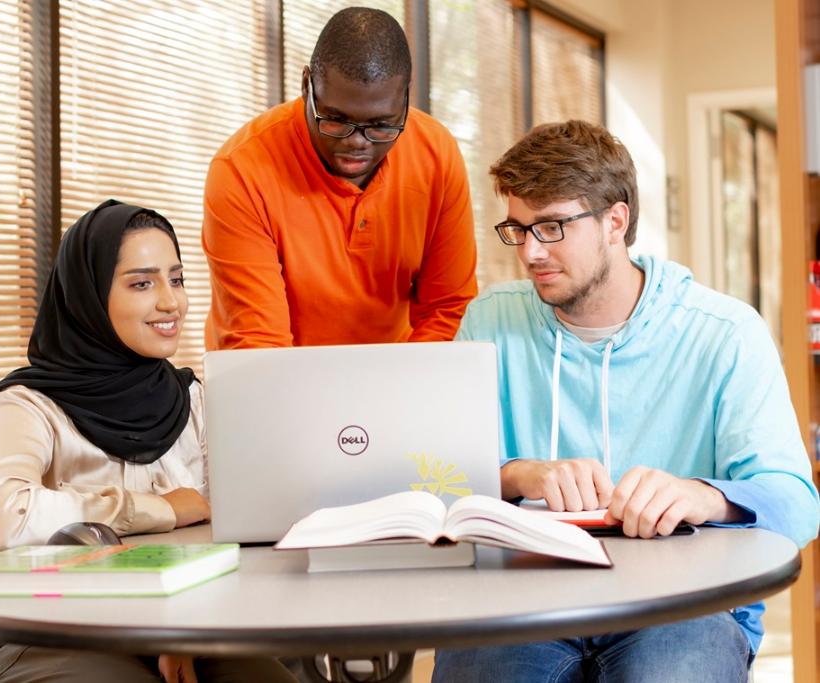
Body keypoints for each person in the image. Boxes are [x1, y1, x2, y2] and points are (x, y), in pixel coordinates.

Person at [432, 120, 820, 683]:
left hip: (685, 604)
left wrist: (703, 496)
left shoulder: (725, 332)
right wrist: (520, 474)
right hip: (524, 597)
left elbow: (797, 503)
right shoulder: (491, 320)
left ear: (615, 221)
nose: (531, 252)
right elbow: (440, 477)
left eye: (553, 227)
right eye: (518, 229)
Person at [0, 200, 295, 683]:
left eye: (176, 279)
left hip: (189, 620)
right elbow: (11, 517)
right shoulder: (26, 405)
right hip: (48, 631)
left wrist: (183, 632)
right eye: (141, 283)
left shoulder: (191, 398)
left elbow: (232, 514)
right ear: (88, 296)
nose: (171, 302)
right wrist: (158, 510)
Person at [202, 7, 477, 349]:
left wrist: (404, 385)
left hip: (395, 376)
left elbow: (448, 307)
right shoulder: (242, 170)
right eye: (335, 120)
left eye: (380, 125)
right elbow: (258, 342)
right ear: (307, 86)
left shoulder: (438, 154)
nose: (356, 142)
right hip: (280, 382)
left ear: (405, 97)